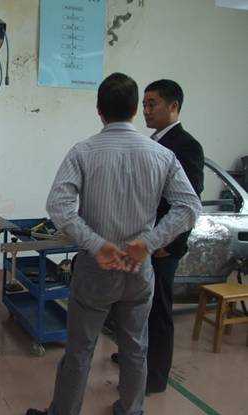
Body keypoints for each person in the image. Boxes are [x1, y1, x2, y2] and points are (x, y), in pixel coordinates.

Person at [26, 73, 201, 415]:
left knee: (80, 349)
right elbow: (189, 207)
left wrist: (96, 244)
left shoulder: (83, 152)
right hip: (139, 268)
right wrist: (147, 243)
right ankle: (131, 409)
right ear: (135, 109)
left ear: (99, 110)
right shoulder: (162, 155)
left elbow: (58, 207)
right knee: (135, 346)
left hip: (96, 269)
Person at [110, 80, 204, 394]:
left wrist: (168, 244)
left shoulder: (186, 146)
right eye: (145, 104)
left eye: (153, 104)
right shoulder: (152, 142)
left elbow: (189, 202)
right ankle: (134, 357)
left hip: (163, 246)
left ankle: (155, 377)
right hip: (143, 241)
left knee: (159, 310)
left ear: (173, 106)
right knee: (136, 305)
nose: (146, 111)